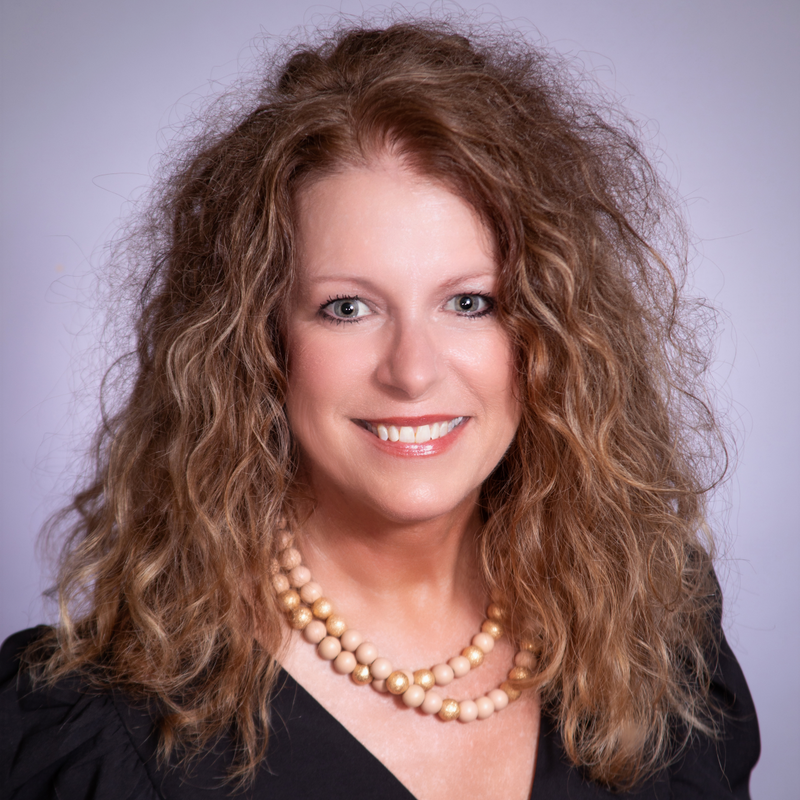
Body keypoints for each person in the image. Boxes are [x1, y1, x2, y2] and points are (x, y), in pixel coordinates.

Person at [0, 17, 759, 800]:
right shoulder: (82, 730)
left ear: (554, 332)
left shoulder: (657, 637)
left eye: (470, 302)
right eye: (347, 309)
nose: (412, 371)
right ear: (257, 341)